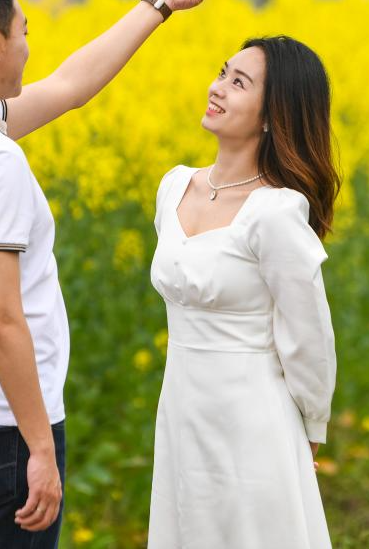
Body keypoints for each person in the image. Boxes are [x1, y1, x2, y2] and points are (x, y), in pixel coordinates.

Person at [0, 0, 209, 549]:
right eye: (24, 32)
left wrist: (159, 2)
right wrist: (38, 447)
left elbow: (69, 86)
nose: (28, 46)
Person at [147, 36, 340, 548]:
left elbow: (308, 331)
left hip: (252, 418)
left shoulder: (276, 211)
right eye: (222, 73)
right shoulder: (173, 187)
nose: (218, 88)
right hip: (182, 408)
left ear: (272, 115)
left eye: (239, 83)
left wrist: (312, 422)